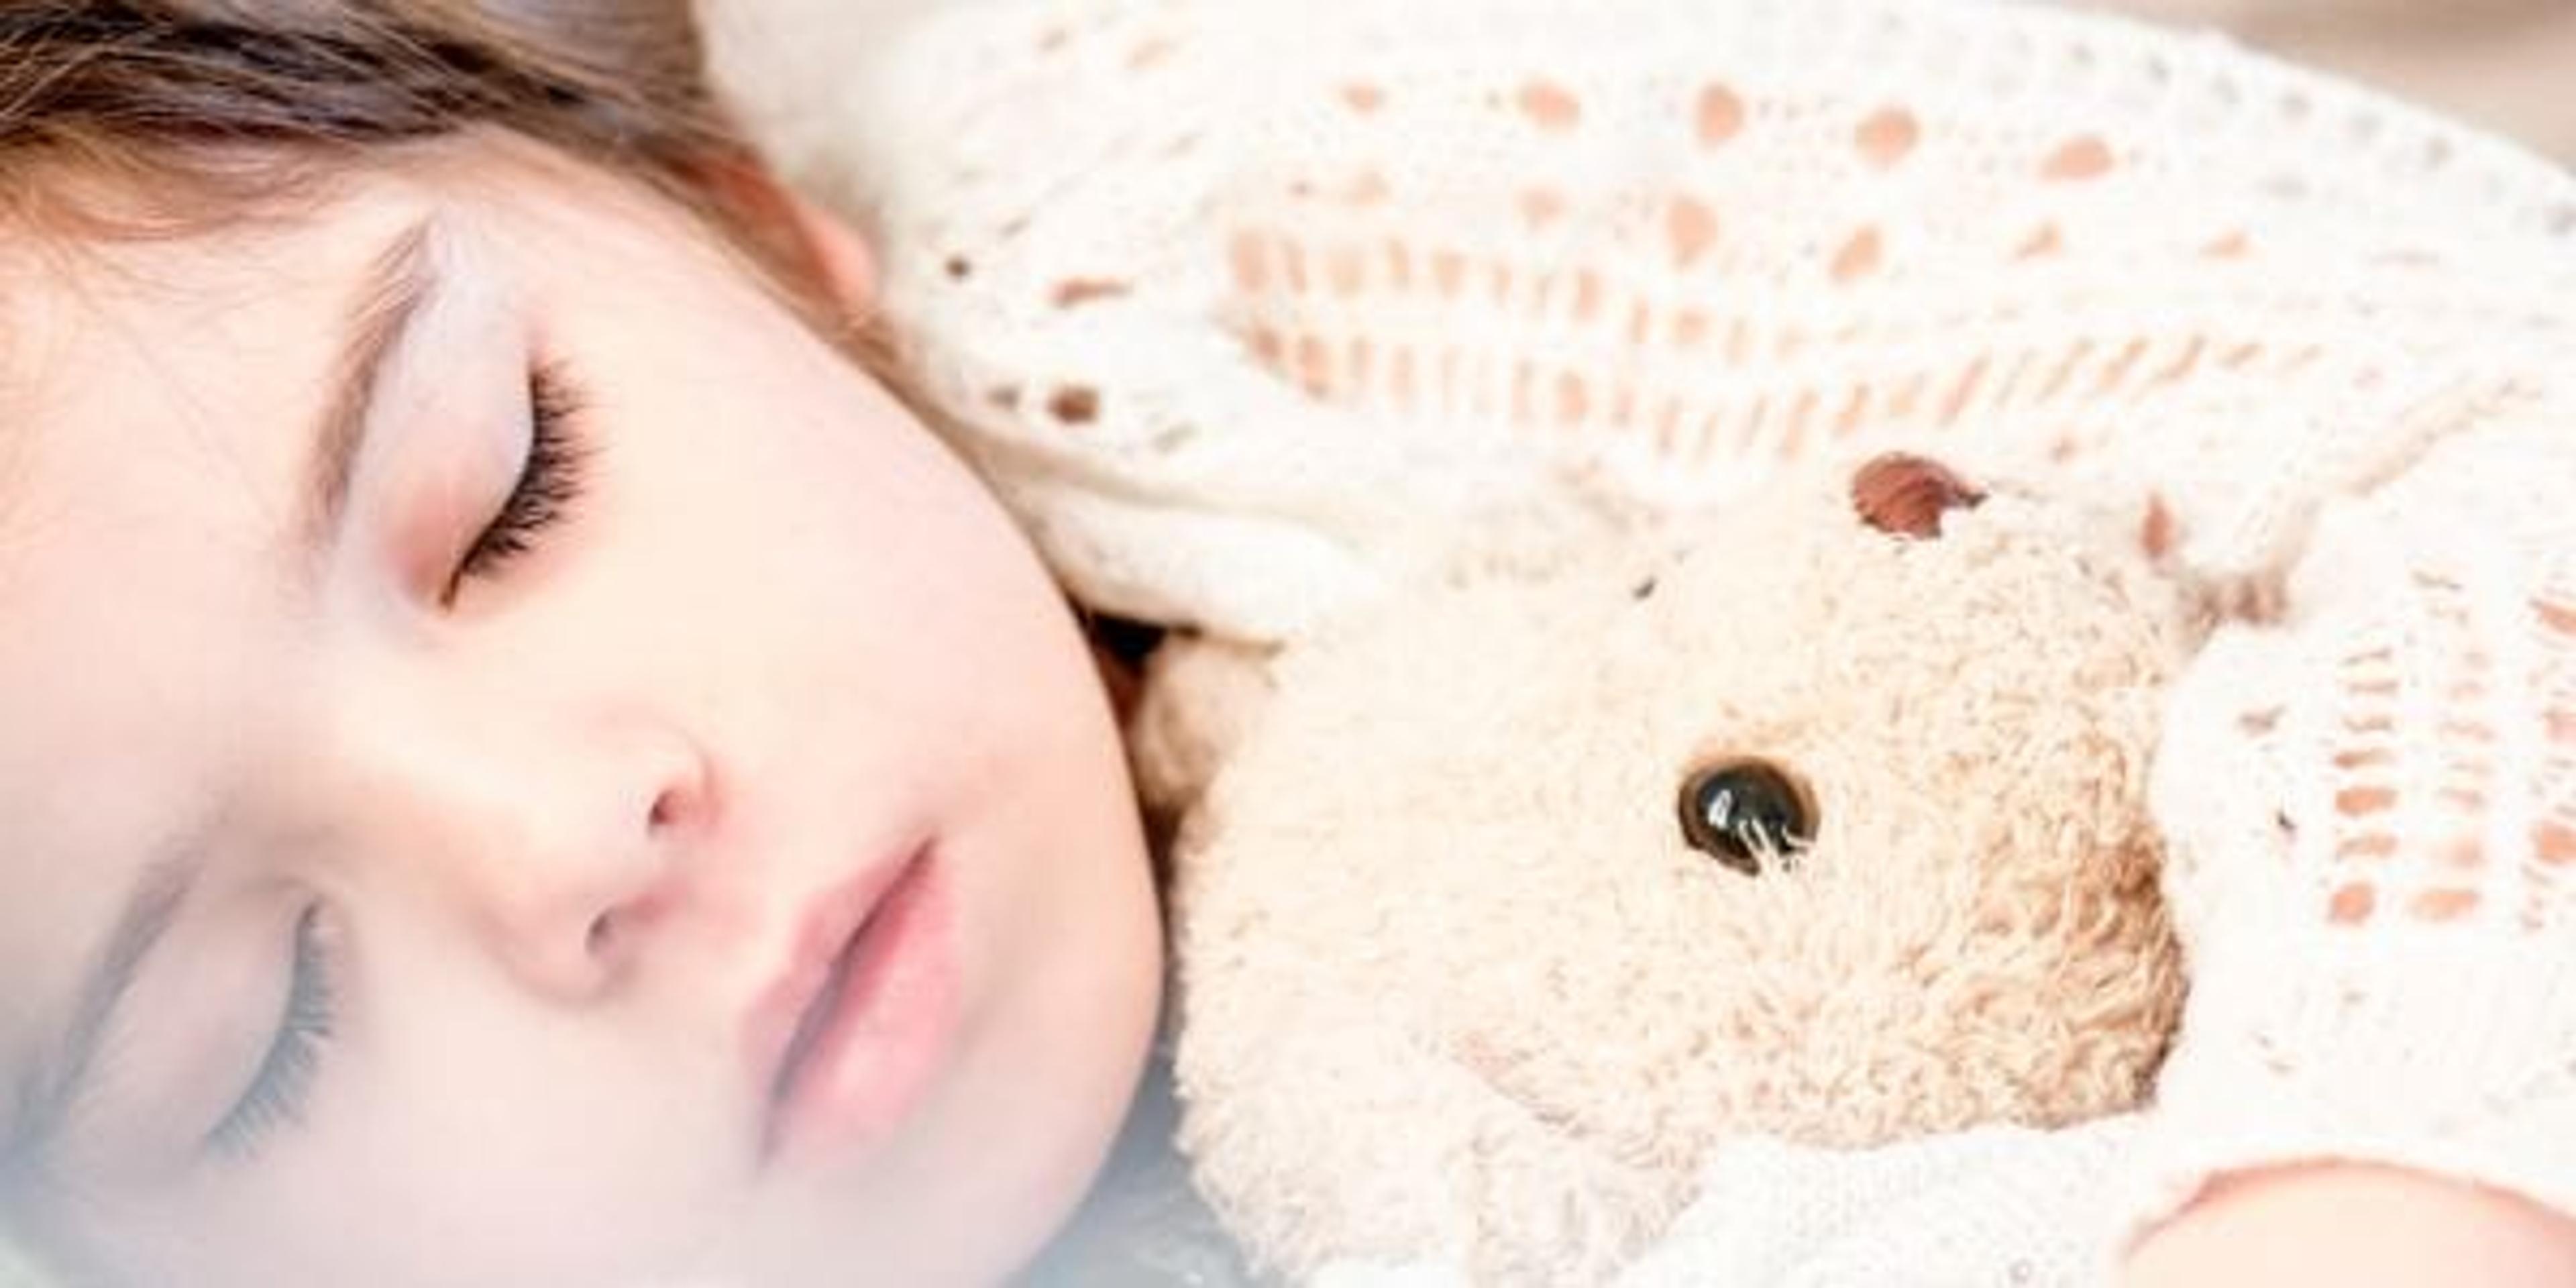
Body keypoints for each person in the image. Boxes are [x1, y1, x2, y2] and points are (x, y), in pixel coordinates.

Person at [0, 2, 2563, 1286]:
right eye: (260, 1035)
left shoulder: (1220, 212)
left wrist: (2380, 1181)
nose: (576, 831)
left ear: (766, 239)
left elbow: (2479, 376)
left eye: (514, 495)